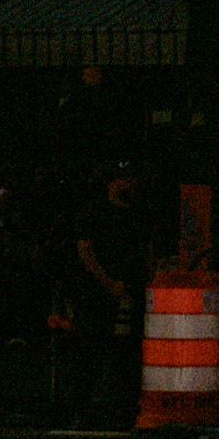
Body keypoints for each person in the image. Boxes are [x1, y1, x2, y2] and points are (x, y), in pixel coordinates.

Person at [71, 161, 150, 412]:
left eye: (130, 179)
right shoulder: (95, 211)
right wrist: (107, 282)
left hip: (131, 290)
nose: (128, 184)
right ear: (111, 183)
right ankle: (83, 404)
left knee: (128, 351)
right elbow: (85, 250)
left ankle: (123, 403)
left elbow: (146, 252)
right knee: (93, 347)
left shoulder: (138, 214)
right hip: (99, 292)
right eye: (122, 179)